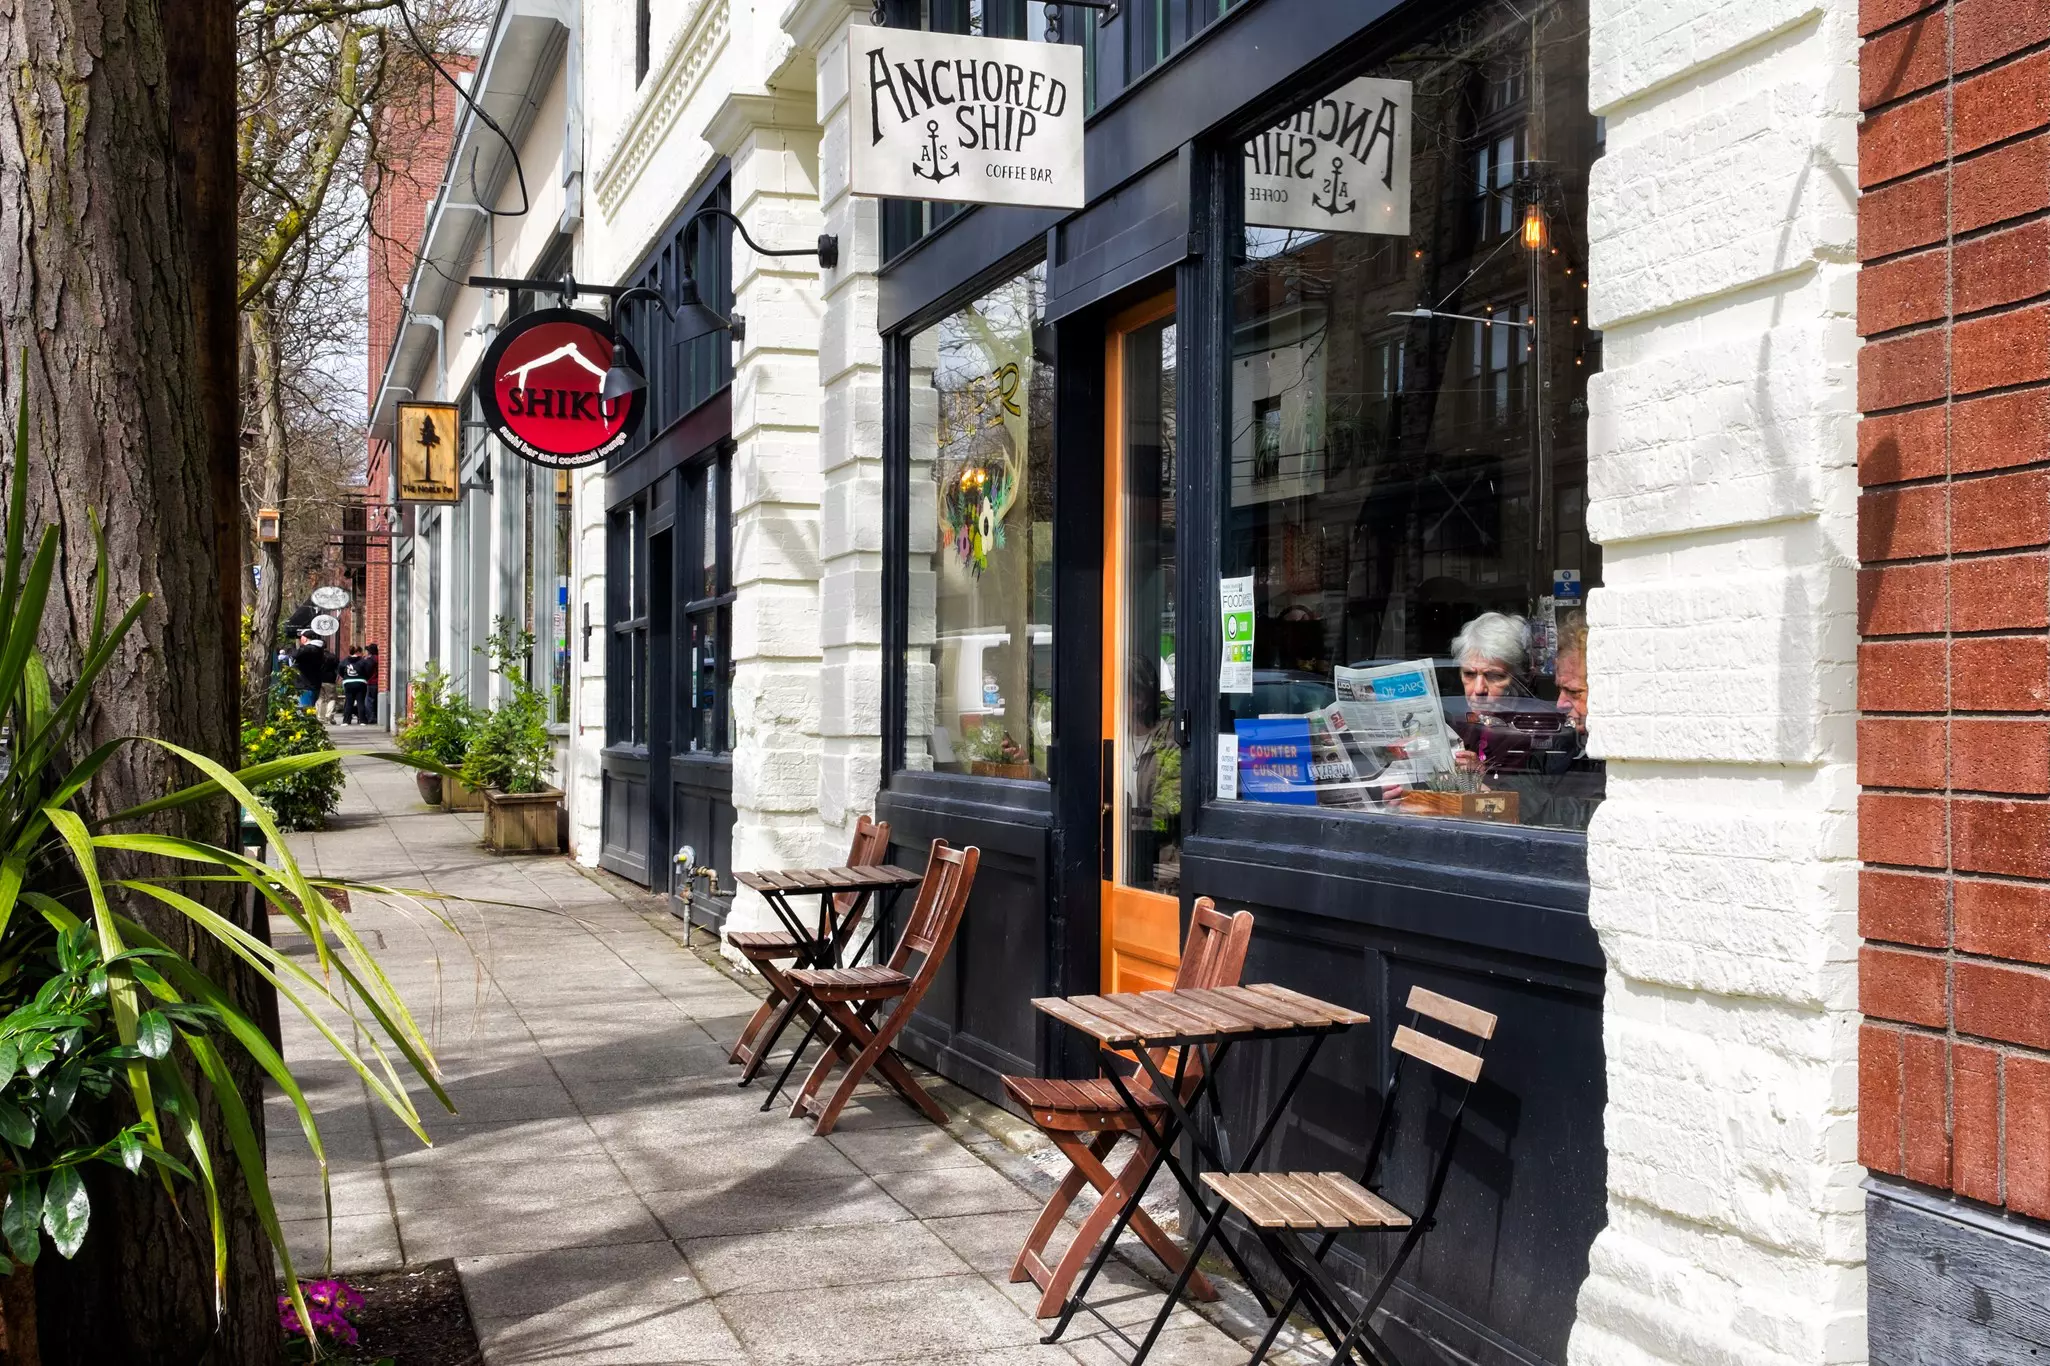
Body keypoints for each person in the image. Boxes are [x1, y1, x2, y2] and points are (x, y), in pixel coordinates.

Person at [292, 633, 326, 710]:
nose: (300, 639)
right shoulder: (318, 649)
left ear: (305, 638)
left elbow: (295, 655)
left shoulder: (308, 649)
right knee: (310, 708)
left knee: (306, 709)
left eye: (301, 637)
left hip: (306, 684)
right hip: (314, 683)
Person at [339, 647, 369, 725]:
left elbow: (340, 671)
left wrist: (346, 677)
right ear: (358, 652)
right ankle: (362, 720)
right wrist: (364, 677)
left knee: (349, 702)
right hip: (360, 682)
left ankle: (346, 720)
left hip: (348, 682)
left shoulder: (344, 661)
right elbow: (368, 670)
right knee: (360, 702)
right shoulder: (363, 661)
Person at [363, 643, 381, 727]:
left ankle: (371, 718)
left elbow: (367, 671)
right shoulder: (380, 659)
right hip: (379, 683)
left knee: (369, 701)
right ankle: (377, 716)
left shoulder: (370, 660)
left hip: (371, 682)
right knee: (376, 701)